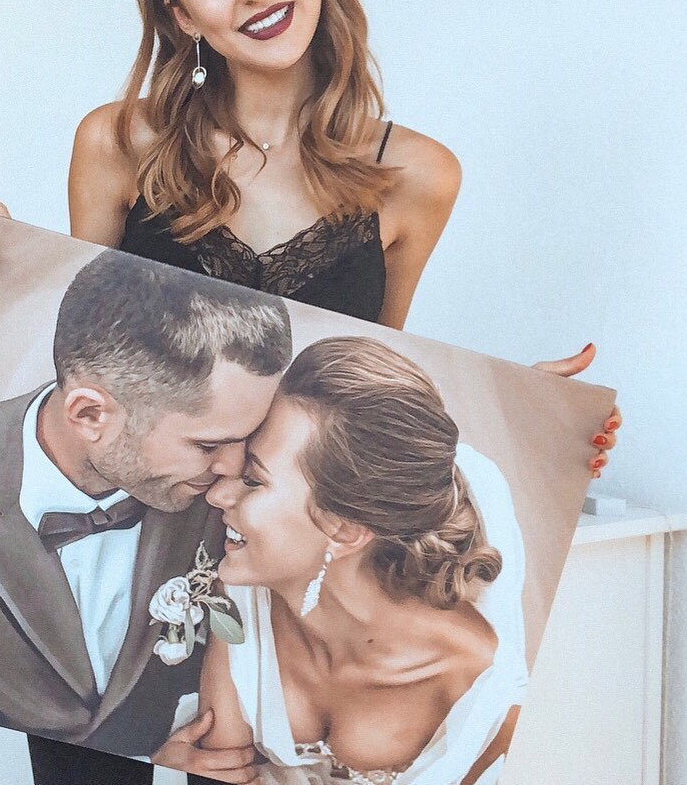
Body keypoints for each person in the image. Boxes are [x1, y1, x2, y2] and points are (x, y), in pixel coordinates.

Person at [0, 0, 620, 781]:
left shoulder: (417, 175)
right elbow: (82, 345)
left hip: (275, 576)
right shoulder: (119, 142)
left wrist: (530, 411)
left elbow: (362, 372)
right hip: (127, 563)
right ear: (181, 13)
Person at [0, 250, 290, 782]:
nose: (234, 472)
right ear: (90, 414)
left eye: (247, 439)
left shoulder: (237, 498)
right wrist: (144, 764)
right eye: (208, 444)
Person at [191, 336, 528, 785]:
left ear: (345, 529)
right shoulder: (240, 600)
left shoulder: (480, 689)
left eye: (252, 479)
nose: (218, 494)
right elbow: (218, 768)